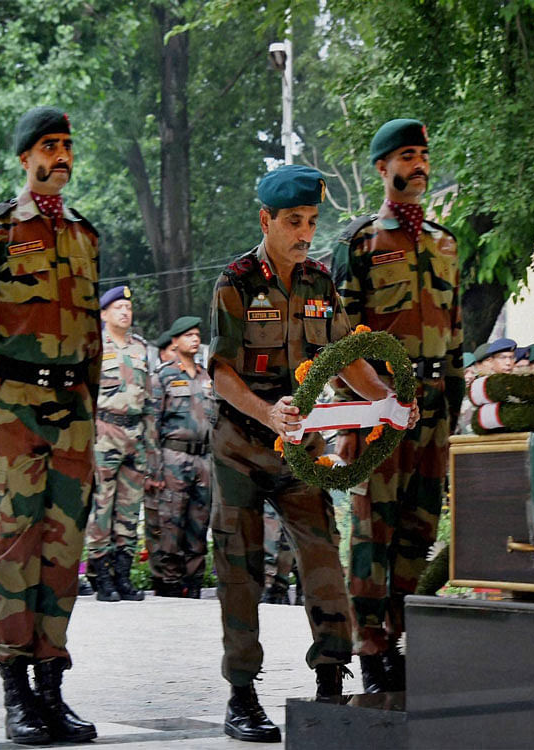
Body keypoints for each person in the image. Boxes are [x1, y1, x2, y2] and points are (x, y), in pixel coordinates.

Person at [209, 164, 418, 741]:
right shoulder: (236, 281)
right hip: (241, 448)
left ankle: (331, 681)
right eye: (294, 222)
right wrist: (267, 411)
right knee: (240, 572)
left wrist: (387, 401)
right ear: (266, 220)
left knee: (324, 560)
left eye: (311, 221)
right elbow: (222, 373)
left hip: (302, 446)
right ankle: (242, 696)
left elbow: (347, 354)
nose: (305, 232)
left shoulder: (320, 282)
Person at [0, 106, 100, 745]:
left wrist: (91, 417)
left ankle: (53, 689)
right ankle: (16, 693)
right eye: (50, 145)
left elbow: (93, 338)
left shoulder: (83, 234)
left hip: (72, 412)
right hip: (14, 409)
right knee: (16, 550)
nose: (62, 155)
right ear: (26, 158)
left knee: (64, 553)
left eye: (67, 145)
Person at [333, 118, 463, 693]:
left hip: (433, 406)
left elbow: (455, 336)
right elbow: (337, 339)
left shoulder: (445, 242)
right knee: (373, 530)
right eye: (406, 156)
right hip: (379, 403)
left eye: (423, 156)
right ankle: (371, 645)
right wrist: (353, 415)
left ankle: (402, 633)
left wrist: (452, 414)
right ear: (383, 169)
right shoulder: (359, 244)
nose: (418, 166)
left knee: (418, 526)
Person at [84, 285, 154, 603]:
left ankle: (123, 574)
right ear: (103, 314)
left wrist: (149, 446)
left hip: (134, 436)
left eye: (128, 307)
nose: (125, 312)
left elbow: (149, 402)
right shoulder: (94, 346)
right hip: (103, 433)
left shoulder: (140, 349)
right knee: (102, 506)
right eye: (118, 307)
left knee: (128, 509)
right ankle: (100, 575)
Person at [147, 315, 212, 599]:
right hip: (173, 457)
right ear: (175, 341)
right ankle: (169, 584)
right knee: (170, 524)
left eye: (197, 334)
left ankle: (194, 582)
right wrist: (154, 470)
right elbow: (152, 425)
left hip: (203, 460)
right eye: (188, 335)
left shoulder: (208, 377)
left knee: (199, 525)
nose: (194, 339)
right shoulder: (163, 376)